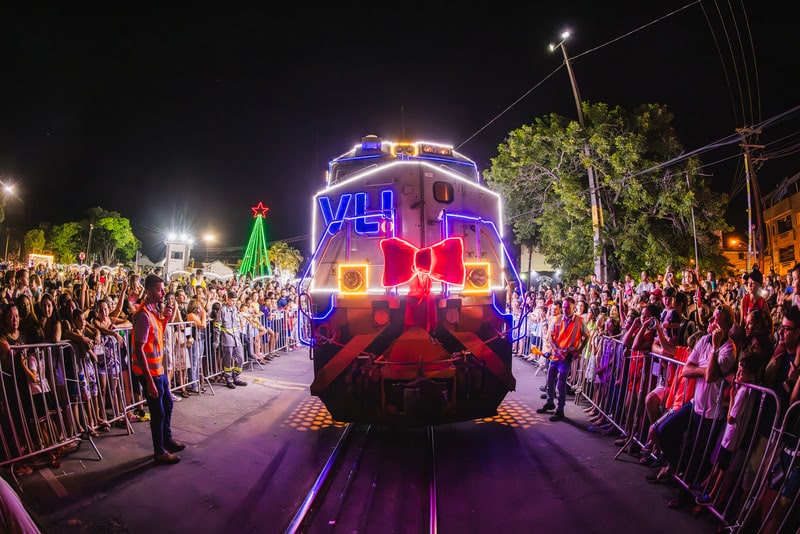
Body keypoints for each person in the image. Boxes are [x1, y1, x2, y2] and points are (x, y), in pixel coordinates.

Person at [131, 273, 185, 465]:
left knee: (168, 404)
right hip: (150, 373)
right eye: (159, 289)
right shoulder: (144, 314)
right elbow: (139, 347)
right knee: (158, 411)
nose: (163, 292)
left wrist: (165, 320)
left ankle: (166, 440)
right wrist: (148, 380)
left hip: (158, 370)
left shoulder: (154, 311)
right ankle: (159, 450)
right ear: (149, 290)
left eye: (163, 289)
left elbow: (157, 337)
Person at [536, 296, 587, 422]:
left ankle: (560, 410)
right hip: (556, 355)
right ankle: (549, 402)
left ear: (573, 307)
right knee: (550, 380)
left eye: (568, 307)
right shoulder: (557, 319)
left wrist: (579, 351)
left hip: (567, 357)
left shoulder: (579, 321)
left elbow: (587, 336)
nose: (565, 309)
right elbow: (551, 337)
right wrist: (556, 350)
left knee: (561, 384)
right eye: (564, 307)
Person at [216, 290, 247, 389]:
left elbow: (237, 323)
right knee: (227, 361)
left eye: (235, 300)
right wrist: (217, 340)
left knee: (240, 358)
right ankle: (229, 380)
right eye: (232, 300)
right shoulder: (222, 310)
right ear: (228, 299)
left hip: (236, 338)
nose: (233, 302)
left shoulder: (235, 309)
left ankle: (236, 377)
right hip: (227, 338)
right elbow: (217, 326)